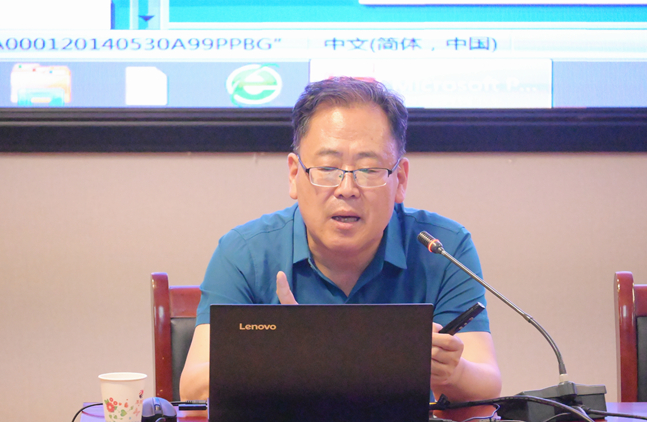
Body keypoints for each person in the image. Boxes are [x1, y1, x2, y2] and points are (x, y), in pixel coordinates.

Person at [179, 77, 501, 402]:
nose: (347, 189)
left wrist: (453, 373)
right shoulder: (244, 252)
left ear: (400, 180)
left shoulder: (441, 248)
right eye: (328, 168)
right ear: (294, 174)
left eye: (369, 169)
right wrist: (286, 353)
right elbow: (193, 386)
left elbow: (487, 383)